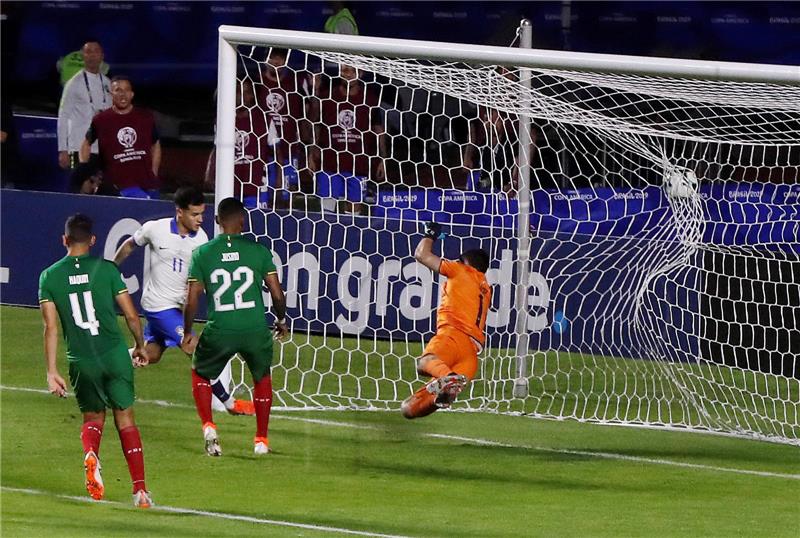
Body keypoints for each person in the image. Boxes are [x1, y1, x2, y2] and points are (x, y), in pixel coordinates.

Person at [39, 213, 153, 508]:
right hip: (114, 355)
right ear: (92, 240)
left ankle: (91, 454)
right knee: (125, 418)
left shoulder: (49, 277)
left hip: (81, 361)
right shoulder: (107, 270)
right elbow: (130, 315)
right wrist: (140, 346)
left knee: (93, 418)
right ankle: (140, 491)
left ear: (64, 240)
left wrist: (52, 371)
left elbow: (50, 328)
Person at [113, 187, 253, 415]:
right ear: (180, 212)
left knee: (151, 355)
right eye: (194, 214)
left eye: (202, 214)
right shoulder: (154, 229)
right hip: (158, 307)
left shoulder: (202, 239)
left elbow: (203, 277)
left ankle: (107, 358)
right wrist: (110, 269)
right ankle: (228, 402)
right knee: (195, 347)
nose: (200, 219)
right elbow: (130, 244)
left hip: (176, 309)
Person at [181, 197, 288, 456]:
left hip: (220, 329)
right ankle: (261, 440)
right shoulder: (259, 251)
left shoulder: (202, 253)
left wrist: (187, 331)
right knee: (262, 378)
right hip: (254, 329)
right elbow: (276, 293)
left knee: (200, 373)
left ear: (217, 221)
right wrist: (281, 320)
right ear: (243, 221)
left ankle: (209, 426)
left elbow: (192, 298)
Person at [400, 221, 492, 419]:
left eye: (459, 260)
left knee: (424, 362)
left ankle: (447, 378)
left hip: (453, 337)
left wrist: (430, 233)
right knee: (409, 408)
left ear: (465, 263)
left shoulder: (460, 270)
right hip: (470, 357)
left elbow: (421, 255)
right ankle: (446, 388)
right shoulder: (485, 287)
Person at [311, 64, 385, 214]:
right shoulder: (327, 96)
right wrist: (311, 152)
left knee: (354, 211)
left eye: (353, 71)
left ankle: (352, 236)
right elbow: (314, 123)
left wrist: (383, 159)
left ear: (361, 73)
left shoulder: (370, 99)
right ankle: (328, 236)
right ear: (339, 72)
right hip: (330, 163)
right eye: (345, 70)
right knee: (327, 211)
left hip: (359, 164)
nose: (349, 74)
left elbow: (379, 129)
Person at [80, 76, 161, 199]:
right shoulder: (101, 120)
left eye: (126, 90)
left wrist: (154, 172)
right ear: (111, 94)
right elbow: (86, 144)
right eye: (118, 90)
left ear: (132, 94)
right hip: (117, 187)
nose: (123, 94)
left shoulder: (146, 117)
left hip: (147, 184)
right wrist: (85, 174)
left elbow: (155, 144)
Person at [205, 79, 269, 209]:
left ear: (252, 96)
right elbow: (217, 147)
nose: (242, 96)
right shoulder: (224, 119)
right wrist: (209, 172)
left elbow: (275, 149)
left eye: (246, 92)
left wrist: (278, 179)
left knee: (255, 221)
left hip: (255, 182)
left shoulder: (263, 119)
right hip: (230, 182)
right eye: (238, 92)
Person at [57, 41, 111, 171]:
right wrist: (63, 149)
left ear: (102, 56)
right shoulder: (74, 83)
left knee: (98, 188)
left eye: (96, 51)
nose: (92, 55)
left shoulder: (108, 83)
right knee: (78, 187)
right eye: (88, 52)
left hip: (101, 148)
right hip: (77, 148)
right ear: (83, 56)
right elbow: (63, 116)